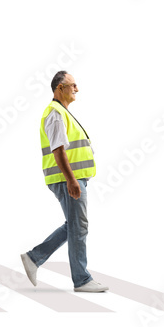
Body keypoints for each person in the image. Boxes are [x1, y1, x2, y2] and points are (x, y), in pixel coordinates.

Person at [20, 71, 109, 293]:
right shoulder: (55, 113)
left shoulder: (61, 112)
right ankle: (82, 279)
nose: (76, 89)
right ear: (60, 88)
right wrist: (71, 180)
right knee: (79, 226)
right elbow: (58, 150)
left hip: (72, 178)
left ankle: (33, 258)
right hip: (67, 179)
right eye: (73, 85)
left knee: (74, 225)